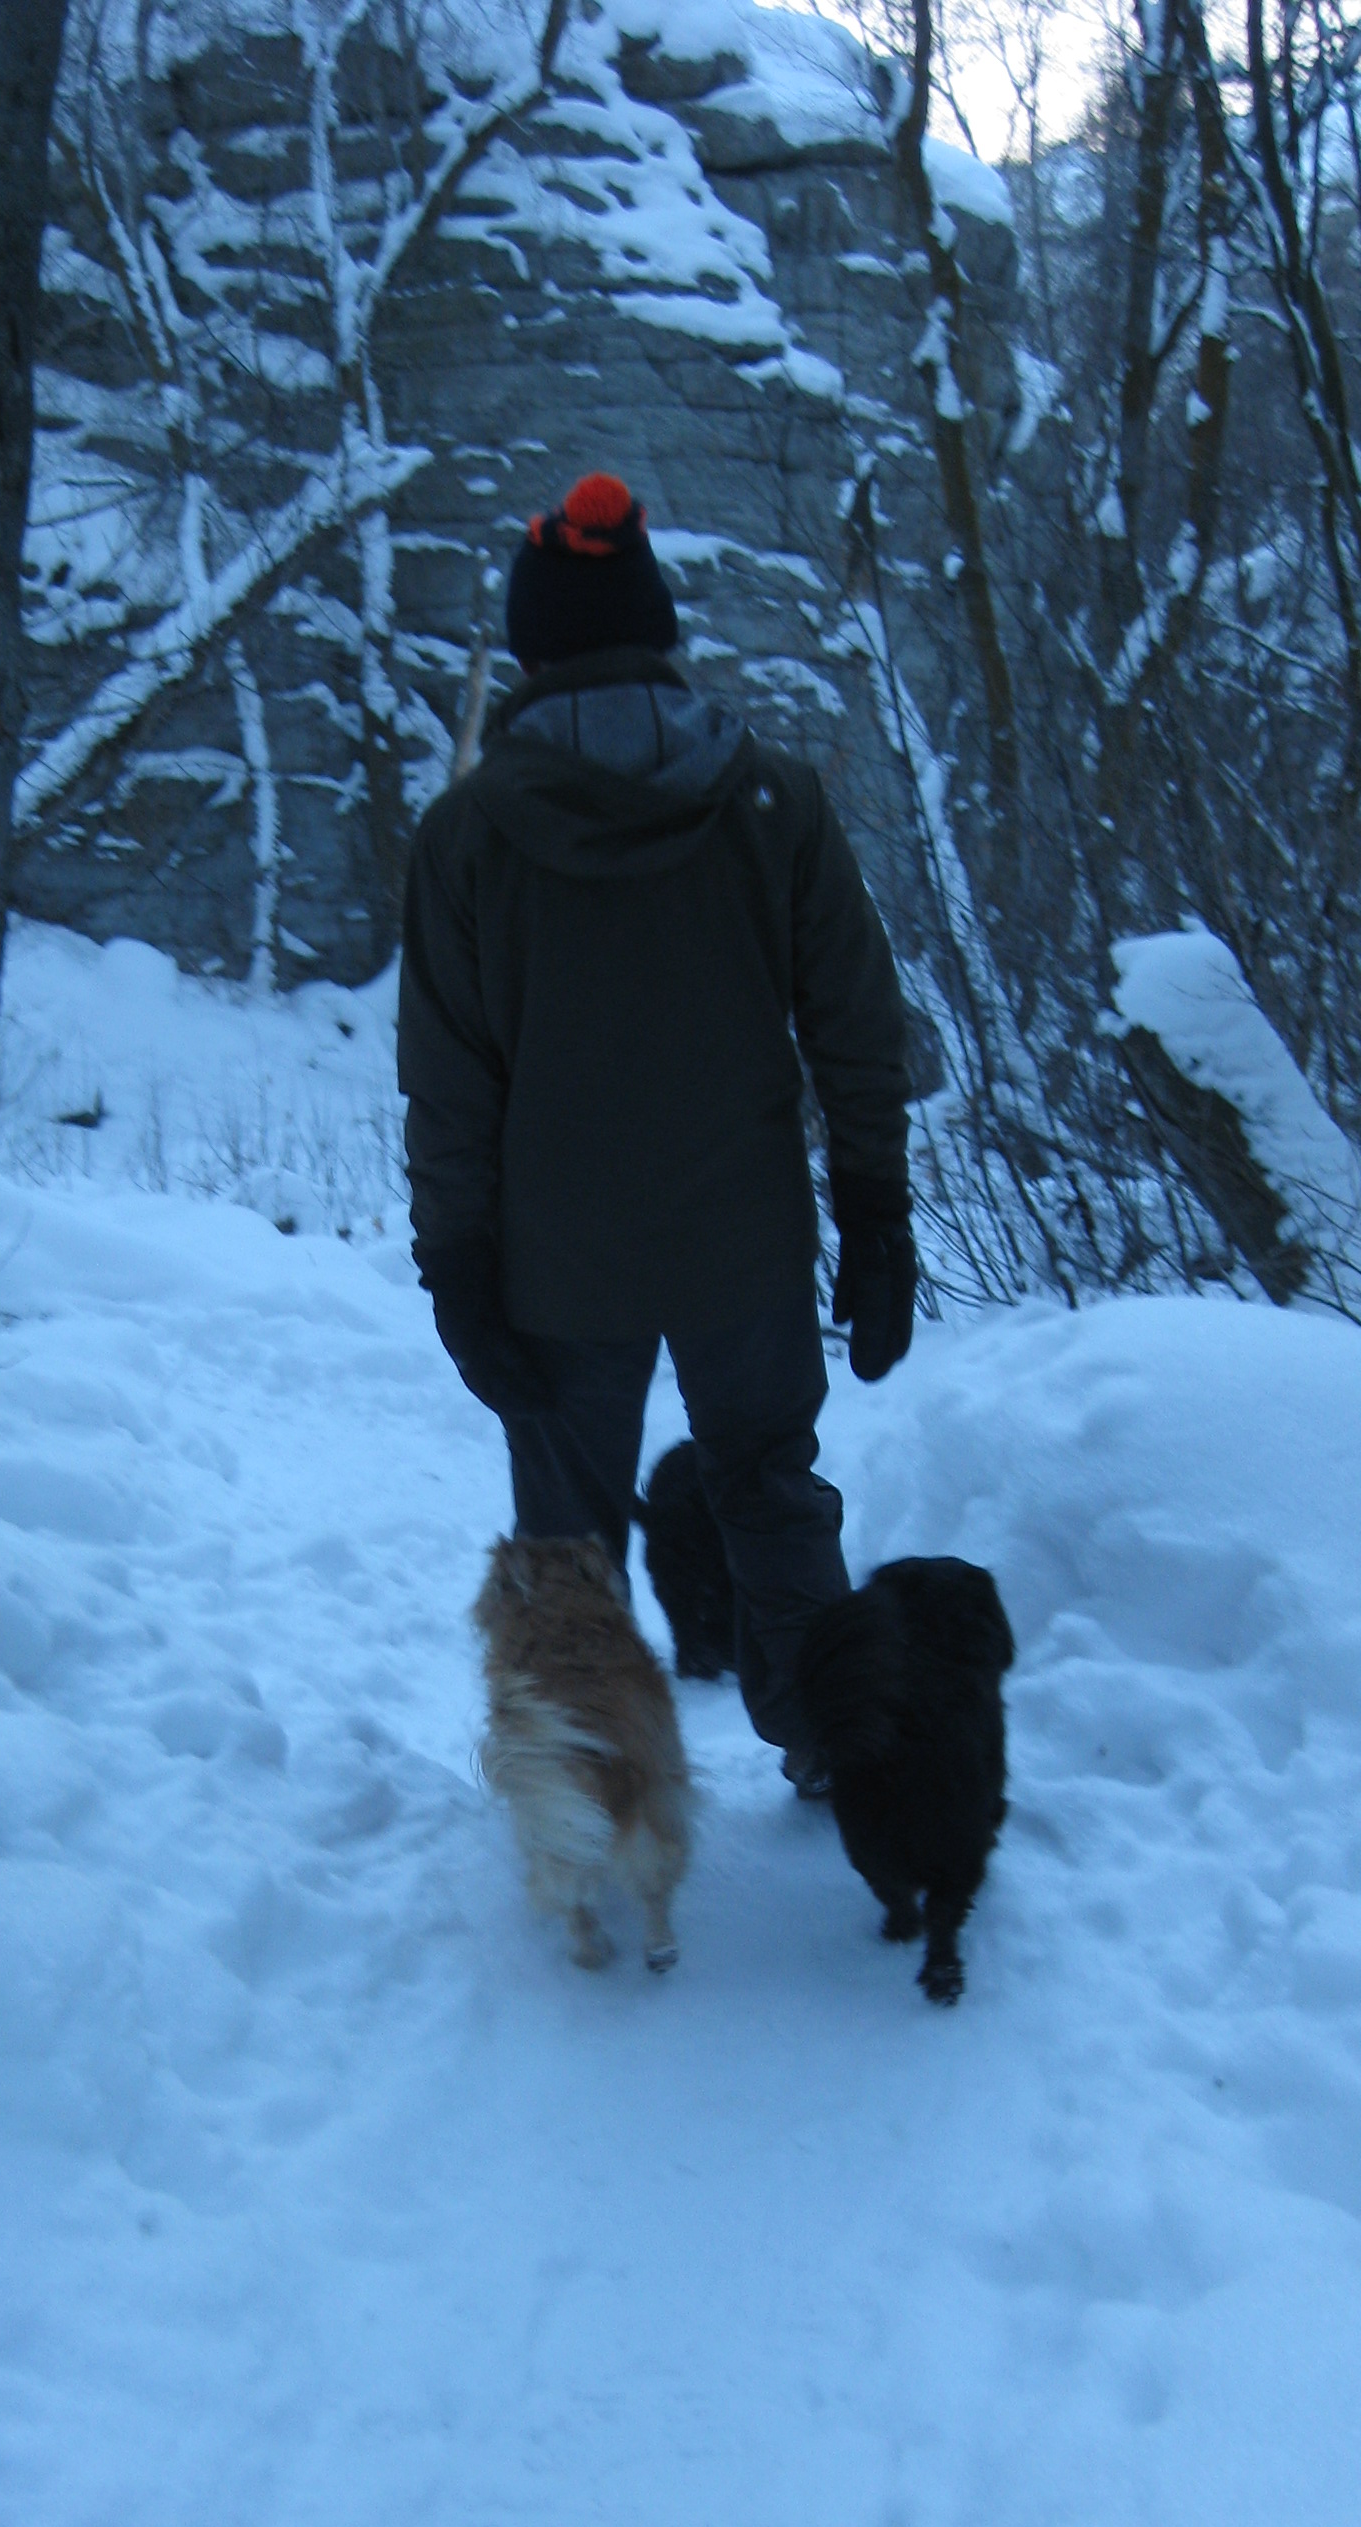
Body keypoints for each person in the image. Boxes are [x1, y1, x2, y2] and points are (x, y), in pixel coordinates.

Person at [398, 469, 919, 1787]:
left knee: (567, 1544)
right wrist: (874, 1209)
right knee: (771, 1491)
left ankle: (588, 1795)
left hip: (557, 1264)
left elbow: (450, 1085)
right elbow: (858, 1024)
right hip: (745, 1243)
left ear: (531, 650)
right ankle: (842, 1753)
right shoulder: (773, 802)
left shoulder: (468, 836)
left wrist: (458, 1265)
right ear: (658, 630)